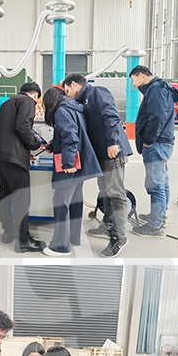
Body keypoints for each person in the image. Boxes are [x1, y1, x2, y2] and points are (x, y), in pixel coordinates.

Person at [62, 73, 133, 258]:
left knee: (115, 194)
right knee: (105, 191)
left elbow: (111, 116)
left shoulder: (97, 93)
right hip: (101, 153)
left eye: (67, 90)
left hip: (112, 151)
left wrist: (113, 142)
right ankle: (108, 224)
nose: (67, 94)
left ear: (74, 84)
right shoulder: (82, 101)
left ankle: (119, 237)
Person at [0, 82, 46, 253]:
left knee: (6, 195)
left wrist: (24, 152)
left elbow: (8, 131)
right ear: (35, 95)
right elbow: (23, 126)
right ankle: (23, 241)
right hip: (14, 160)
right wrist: (35, 144)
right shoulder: (27, 101)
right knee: (22, 200)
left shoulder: (7, 103)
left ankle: (9, 232)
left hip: (1, 157)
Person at [41, 87, 102, 257]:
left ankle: (61, 246)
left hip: (70, 164)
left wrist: (67, 163)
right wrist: (53, 145)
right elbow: (73, 133)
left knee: (60, 203)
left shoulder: (61, 111)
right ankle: (73, 238)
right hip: (80, 162)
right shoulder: (74, 107)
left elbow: (70, 136)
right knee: (75, 201)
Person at [129, 65, 178, 238]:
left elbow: (157, 117)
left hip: (156, 144)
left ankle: (155, 226)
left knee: (156, 185)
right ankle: (159, 216)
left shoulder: (156, 89)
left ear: (141, 75)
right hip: (163, 142)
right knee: (162, 182)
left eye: (133, 80)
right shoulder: (162, 87)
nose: (133, 85)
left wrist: (149, 140)